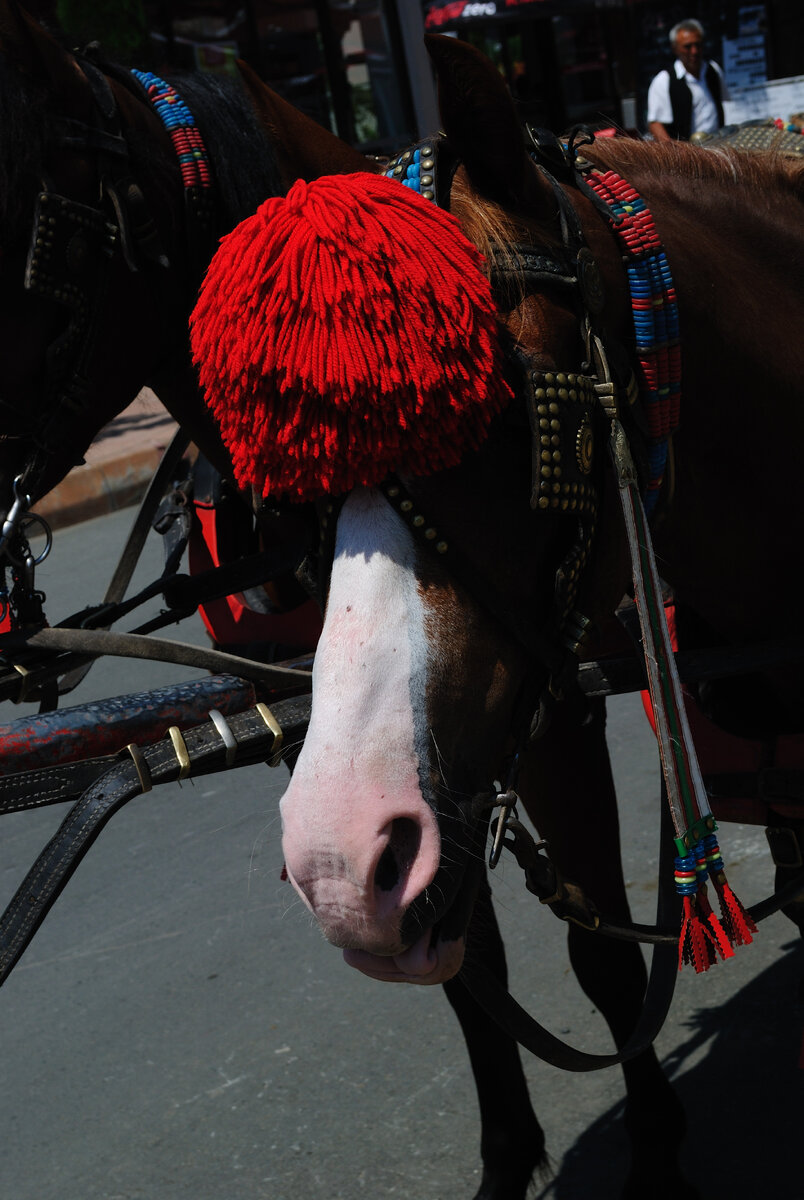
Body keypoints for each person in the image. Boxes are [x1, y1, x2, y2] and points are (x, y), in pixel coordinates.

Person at [647, 19, 730, 141]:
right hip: (687, 153)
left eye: (698, 45)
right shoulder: (664, 81)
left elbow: (726, 104)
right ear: (675, 48)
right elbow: (655, 124)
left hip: (718, 147)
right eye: (687, 47)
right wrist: (674, 152)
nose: (694, 51)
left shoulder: (713, 71)